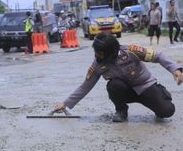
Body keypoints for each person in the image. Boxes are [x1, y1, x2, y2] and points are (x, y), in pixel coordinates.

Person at [54, 33, 183, 122]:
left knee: (167, 111)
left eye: (100, 53)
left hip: (146, 87)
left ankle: (159, 99)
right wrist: (66, 104)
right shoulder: (97, 65)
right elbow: (85, 86)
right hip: (125, 92)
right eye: (96, 52)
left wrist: (175, 69)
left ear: (111, 51)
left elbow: (158, 56)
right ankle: (121, 111)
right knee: (113, 85)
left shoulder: (131, 51)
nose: (97, 56)